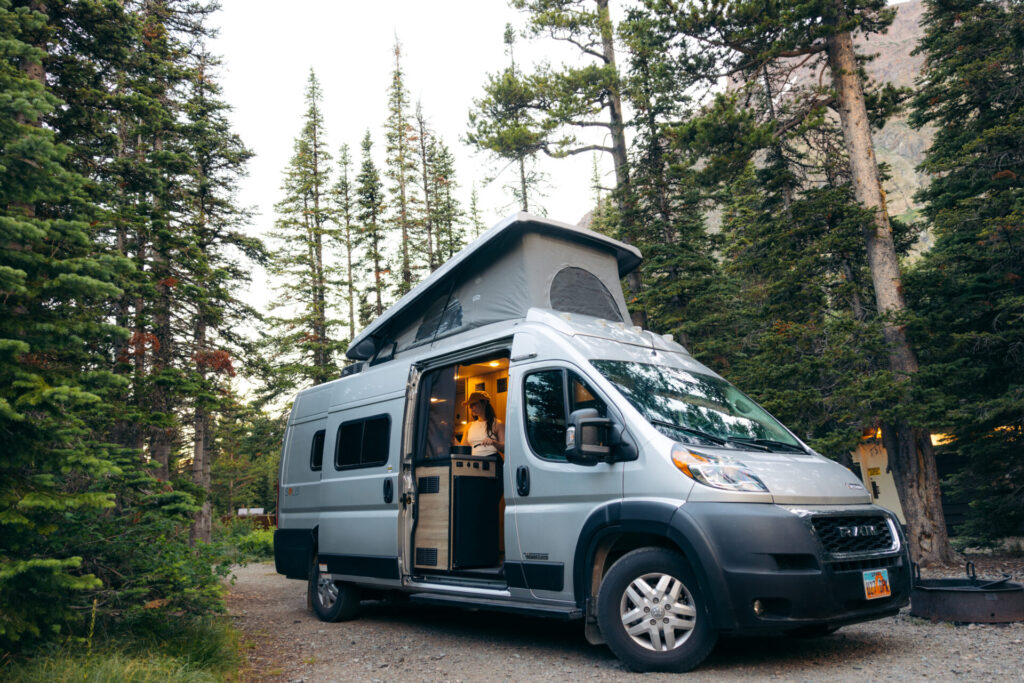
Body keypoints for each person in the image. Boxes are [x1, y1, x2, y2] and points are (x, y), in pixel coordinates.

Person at [460, 390, 505, 457]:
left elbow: (506, 448)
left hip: (492, 461)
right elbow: (463, 448)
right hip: (475, 463)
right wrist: (453, 439)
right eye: (470, 405)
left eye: (473, 404)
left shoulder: (497, 424)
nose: (471, 408)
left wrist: (494, 442)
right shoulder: (469, 426)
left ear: (484, 403)